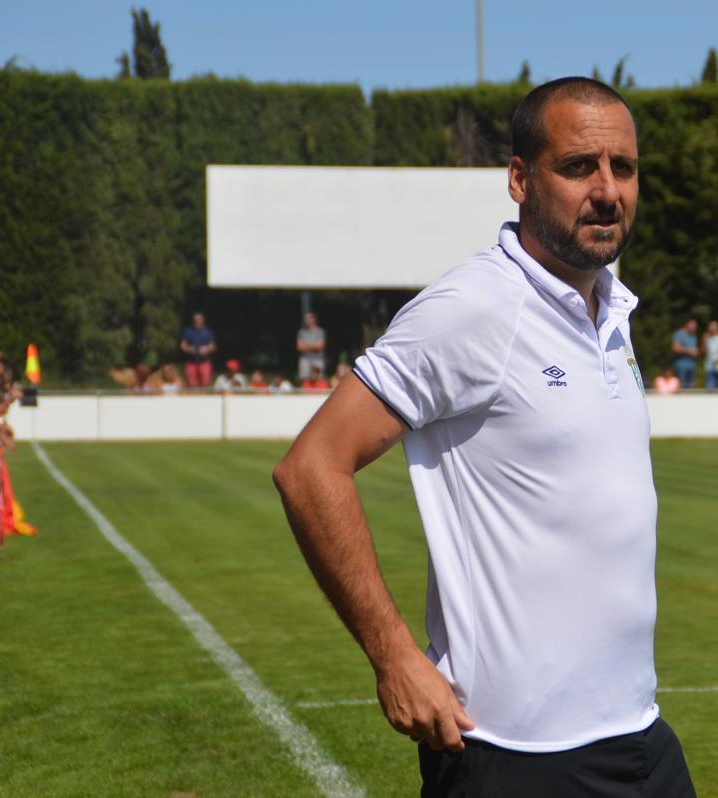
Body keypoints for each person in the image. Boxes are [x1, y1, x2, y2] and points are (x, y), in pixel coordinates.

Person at [273, 77, 695, 796]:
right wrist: (394, 656)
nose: (607, 190)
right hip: (512, 757)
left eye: (622, 167)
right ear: (520, 180)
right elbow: (312, 466)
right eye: (578, 166)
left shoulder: (612, 309)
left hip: (639, 740)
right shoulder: (474, 308)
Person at [179, 311, 217, 388]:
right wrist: (189, 349)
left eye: (199, 319)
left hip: (204, 361)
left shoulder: (208, 332)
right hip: (191, 361)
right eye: (195, 320)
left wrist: (207, 349)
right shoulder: (188, 331)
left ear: (203, 320)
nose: (197, 321)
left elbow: (213, 346)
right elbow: (182, 346)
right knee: (191, 385)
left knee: (206, 384)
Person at [296, 311, 327, 381]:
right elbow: (299, 347)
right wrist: (314, 346)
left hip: (317, 360)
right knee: (305, 380)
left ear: (314, 319)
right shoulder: (301, 332)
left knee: (319, 379)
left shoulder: (320, 332)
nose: (306, 320)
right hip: (305, 361)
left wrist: (305, 346)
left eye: (309, 318)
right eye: (305, 318)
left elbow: (320, 346)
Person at [670, 319, 700, 389]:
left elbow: (695, 349)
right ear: (687, 325)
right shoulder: (679, 334)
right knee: (682, 387)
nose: (694, 328)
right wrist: (689, 351)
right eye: (693, 326)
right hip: (681, 366)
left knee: (690, 387)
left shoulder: (693, 336)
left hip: (692, 365)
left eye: (695, 326)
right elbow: (675, 348)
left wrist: (696, 352)